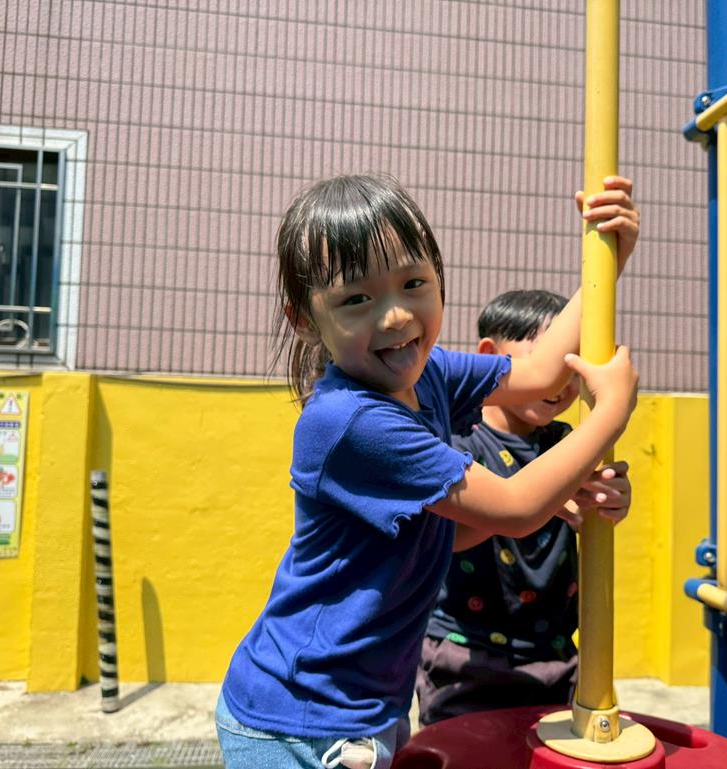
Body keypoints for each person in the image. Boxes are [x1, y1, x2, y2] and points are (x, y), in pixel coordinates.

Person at [216, 174, 639, 769]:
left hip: (365, 705)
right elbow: (516, 508)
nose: (395, 316)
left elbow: (541, 373)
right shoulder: (351, 421)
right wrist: (612, 412)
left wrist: (608, 258)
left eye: (413, 284)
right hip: (303, 719)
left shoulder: (428, 372)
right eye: (356, 299)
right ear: (305, 319)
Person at [417, 289, 631, 726]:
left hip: (557, 654)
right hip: (465, 653)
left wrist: (613, 499)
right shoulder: (458, 440)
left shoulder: (566, 441)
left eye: (573, 367)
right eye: (549, 364)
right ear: (490, 357)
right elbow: (447, 536)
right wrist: (543, 501)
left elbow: (592, 510)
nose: (561, 383)